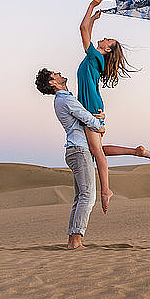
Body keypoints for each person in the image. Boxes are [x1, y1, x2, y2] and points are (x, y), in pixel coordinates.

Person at [78, 0, 150, 214]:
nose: (102, 39)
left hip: (91, 108)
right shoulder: (95, 58)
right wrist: (94, 19)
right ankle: (136, 151)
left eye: (107, 40)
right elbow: (88, 31)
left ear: (107, 50)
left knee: (98, 154)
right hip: (92, 107)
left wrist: (91, 6)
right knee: (98, 150)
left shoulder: (96, 58)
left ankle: (106, 190)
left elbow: (82, 29)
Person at [35, 68, 105, 249]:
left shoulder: (64, 98)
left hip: (76, 150)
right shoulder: (65, 99)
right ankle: (76, 240)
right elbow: (87, 119)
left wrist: (95, 120)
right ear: (52, 82)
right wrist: (100, 124)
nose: (58, 73)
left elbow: (84, 117)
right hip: (79, 150)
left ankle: (72, 240)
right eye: (54, 74)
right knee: (88, 196)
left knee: (80, 197)